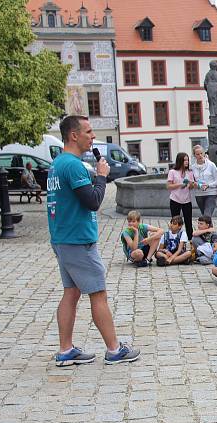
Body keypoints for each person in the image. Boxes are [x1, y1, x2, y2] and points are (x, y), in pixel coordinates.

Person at [47, 115, 140, 366]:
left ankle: (66, 350)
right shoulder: (73, 165)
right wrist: (100, 176)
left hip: (62, 237)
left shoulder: (57, 164)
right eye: (88, 131)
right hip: (78, 240)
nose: (93, 136)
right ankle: (114, 349)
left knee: (71, 292)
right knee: (98, 293)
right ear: (74, 135)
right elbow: (93, 201)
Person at [166, 152, 196, 232]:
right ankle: (175, 238)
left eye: (187, 160)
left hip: (187, 200)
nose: (187, 162)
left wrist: (191, 184)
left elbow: (191, 187)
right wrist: (180, 185)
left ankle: (190, 239)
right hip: (175, 200)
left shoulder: (190, 172)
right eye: (184, 160)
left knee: (188, 221)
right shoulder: (172, 172)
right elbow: (168, 186)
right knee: (175, 221)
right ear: (180, 161)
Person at [190, 145, 217, 218]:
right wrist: (194, 184)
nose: (200, 155)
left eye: (201, 153)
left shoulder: (211, 165)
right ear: (194, 155)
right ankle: (209, 229)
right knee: (205, 217)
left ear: (204, 153)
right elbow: (192, 181)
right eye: (197, 154)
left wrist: (208, 185)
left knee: (207, 216)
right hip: (199, 194)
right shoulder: (192, 167)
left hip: (211, 193)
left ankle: (208, 229)